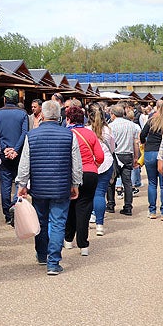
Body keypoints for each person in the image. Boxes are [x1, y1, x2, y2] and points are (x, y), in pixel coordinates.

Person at [14, 99, 82, 274]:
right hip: (61, 186)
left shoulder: (32, 135)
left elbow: (25, 162)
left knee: (41, 221)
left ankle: (42, 254)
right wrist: (75, 183)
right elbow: (76, 163)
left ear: (42, 115)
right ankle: (54, 261)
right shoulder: (69, 135)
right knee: (58, 223)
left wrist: (22, 184)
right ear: (59, 115)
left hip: (39, 187)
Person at [64, 105, 103, 255]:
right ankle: (83, 245)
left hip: (70, 174)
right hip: (89, 173)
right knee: (85, 208)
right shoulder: (90, 134)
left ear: (68, 119)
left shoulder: (66, 133)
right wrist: (93, 165)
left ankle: (68, 240)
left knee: (69, 208)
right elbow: (100, 156)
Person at [0, 88, 29, 226]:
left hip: (3, 154)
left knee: (5, 183)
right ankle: (15, 205)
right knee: (20, 181)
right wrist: (16, 149)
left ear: (4, 99)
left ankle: (7, 213)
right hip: (19, 154)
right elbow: (25, 133)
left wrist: (5, 148)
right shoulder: (22, 114)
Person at [140, 100, 163, 219]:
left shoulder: (152, 120)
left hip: (150, 152)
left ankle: (152, 210)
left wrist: (144, 143)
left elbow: (142, 134)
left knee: (152, 183)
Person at [107, 104, 140, 215]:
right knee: (127, 182)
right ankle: (128, 206)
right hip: (128, 154)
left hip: (115, 155)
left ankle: (111, 204)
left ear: (113, 114)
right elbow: (136, 142)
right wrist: (136, 157)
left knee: (111, 182)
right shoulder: (132, 125)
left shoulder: (110, 126)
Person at [88, 102, 115, 236]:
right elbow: (113, 147)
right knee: (100, 193)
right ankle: (100, 224)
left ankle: (87, 219)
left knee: (87, 195)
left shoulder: (86, 130)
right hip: (106, 163)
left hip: (89, 164)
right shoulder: (108, 130)